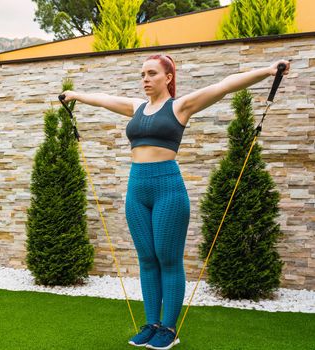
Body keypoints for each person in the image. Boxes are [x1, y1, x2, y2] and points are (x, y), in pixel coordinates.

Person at [61, 55, 290, 349]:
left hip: (168, 188)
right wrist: (76, 95)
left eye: (152, 73)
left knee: (168, 259)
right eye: (142, 73)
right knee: (146, 259)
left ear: (168, 77)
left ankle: (169, 328)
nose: (145, 78)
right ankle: (151, 324)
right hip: (136, 189)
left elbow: (224, 86)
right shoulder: (136, 107)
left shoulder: (179, 107)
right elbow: (105, 99)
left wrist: (269, 70)